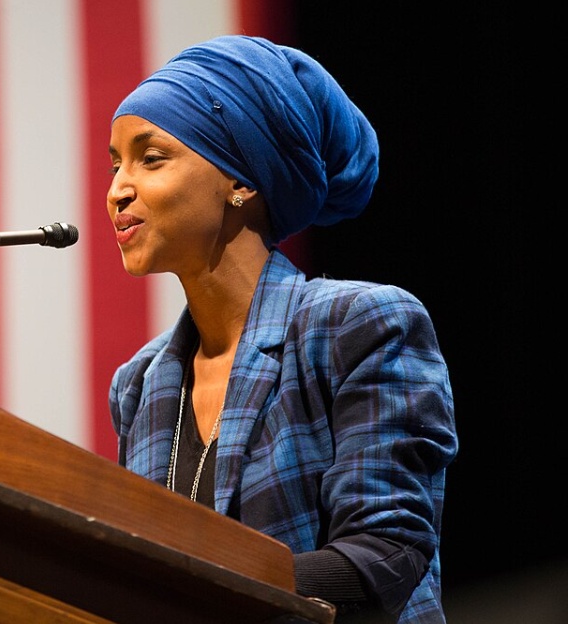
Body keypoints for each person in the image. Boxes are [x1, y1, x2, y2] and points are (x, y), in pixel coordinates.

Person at [106, 35, 458, 623]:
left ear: (241, 181)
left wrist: (197, 582)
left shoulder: (358, 326)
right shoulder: (138, 385)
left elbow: (385, 554)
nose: (118, 188)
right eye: (115, 163)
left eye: (152, 158)